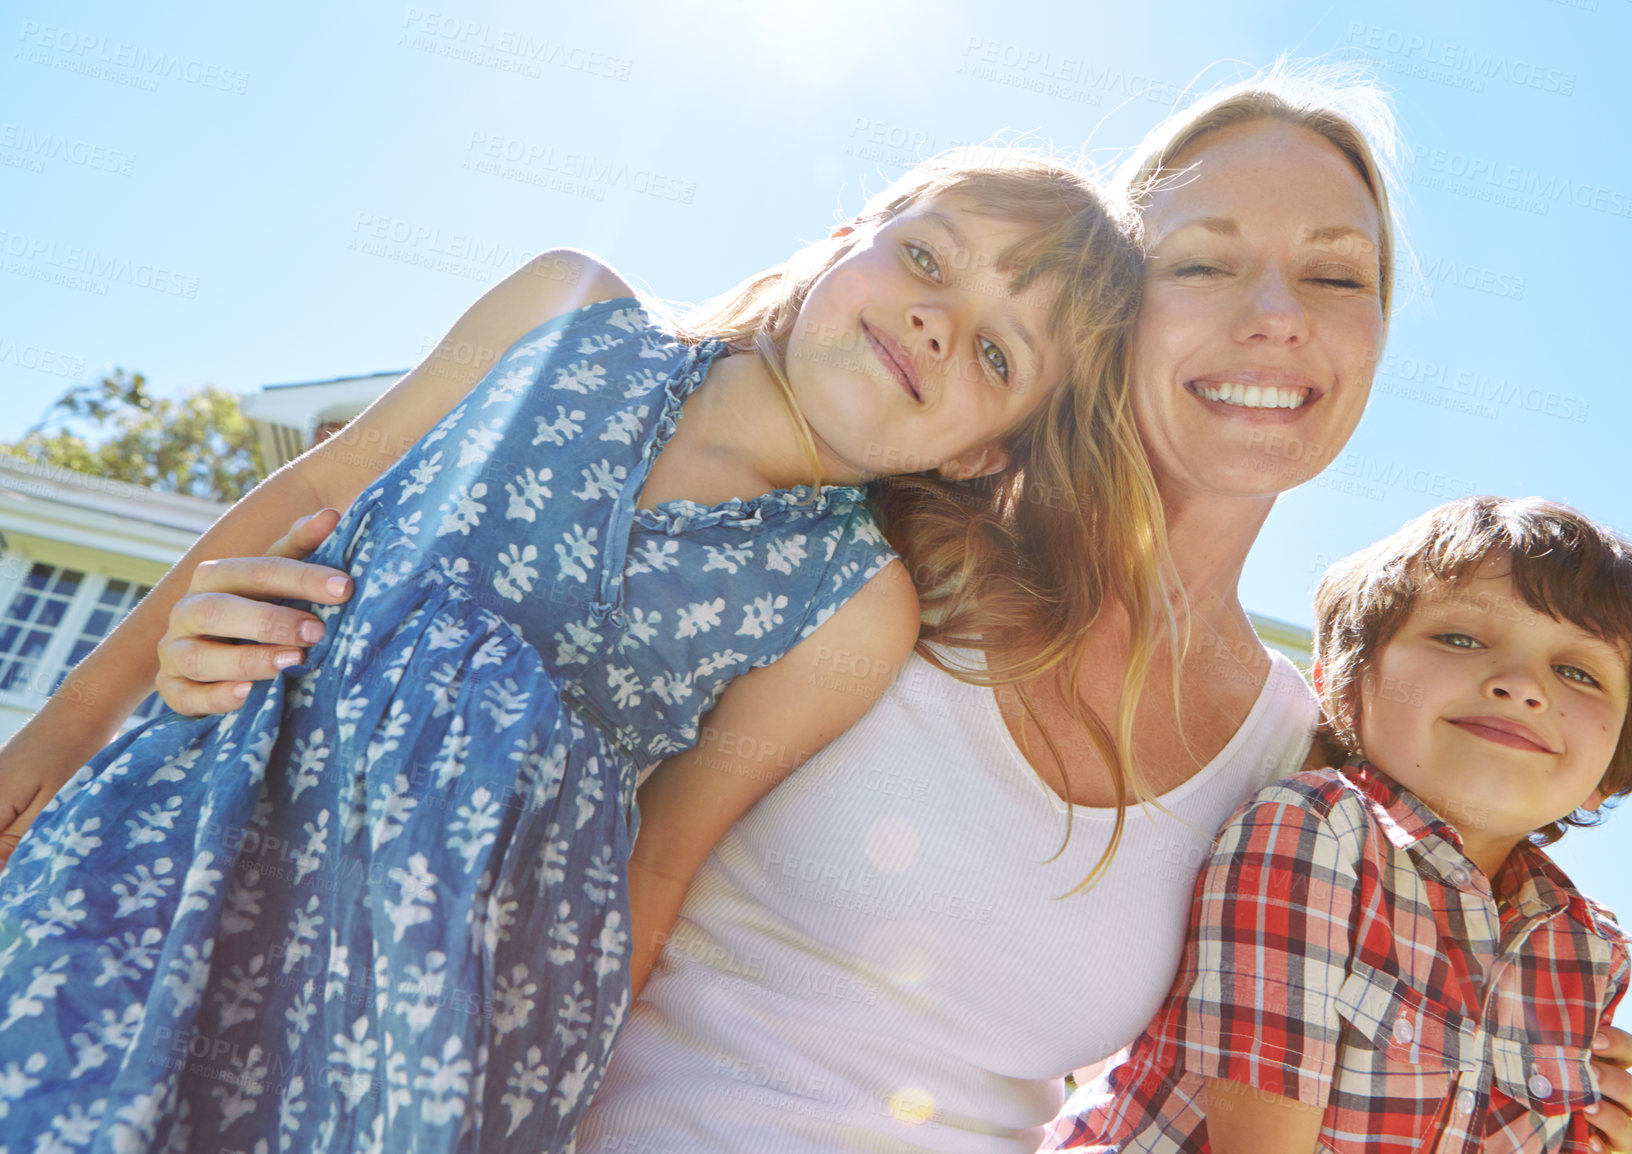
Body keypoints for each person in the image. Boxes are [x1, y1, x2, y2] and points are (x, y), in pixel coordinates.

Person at [34, 64, 1632, 1152]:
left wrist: (1541, 1062)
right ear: (1103, 312)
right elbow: (478, 651)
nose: (1268, 313)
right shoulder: (868, 529)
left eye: (1334, 272)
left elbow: (1333, 1019)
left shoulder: (1303, 753)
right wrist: (251, 660)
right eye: (1204, 256)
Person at [0, 153, 1152, 1151]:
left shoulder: (849, 604)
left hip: (406, 1006)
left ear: (978, 459)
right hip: (181, 836)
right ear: (845, 238)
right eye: (927, 259)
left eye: (998, 357)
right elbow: (306, 490)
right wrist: (61, 729)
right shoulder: (565, 310)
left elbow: (657, 867)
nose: (938, 323)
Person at [1046, 496, 1632, 1153]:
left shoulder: (1589, 948)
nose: (1522, 685)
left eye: (1577, 672)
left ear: (1614, 768)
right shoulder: (1315, 829)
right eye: (1461, 638)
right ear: (1345, 688)